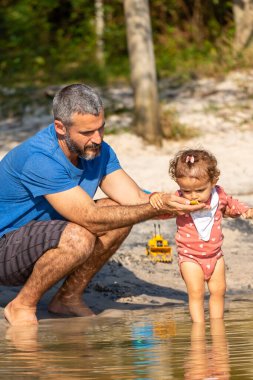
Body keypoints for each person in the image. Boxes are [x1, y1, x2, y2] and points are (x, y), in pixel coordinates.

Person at [0, 84, 205, 326]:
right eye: (87, 132)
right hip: (6, 249)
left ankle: (67, 298)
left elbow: (136, 199)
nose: (96, 139)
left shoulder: (100, 151)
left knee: (116, 209)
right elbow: (90, 218)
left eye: (101, 128)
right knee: (80, 236)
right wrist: (157, 207)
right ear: (60, 127)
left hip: (45, 239)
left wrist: (194, 202)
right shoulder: (39, 158)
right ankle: (22, 305)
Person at [150, 148, 253, 323]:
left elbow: (232, 205)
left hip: (216, 256)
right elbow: (160, 212)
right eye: (186, 191)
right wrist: (154, 198)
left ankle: (217, 327)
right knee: (196, 294)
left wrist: (245, 210)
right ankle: (198, 330)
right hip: (190, 258)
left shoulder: (219, 196)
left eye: (199, 190)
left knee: (219, 291)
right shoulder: (179, 200)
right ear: (178, 185)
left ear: (214, 181)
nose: (193, 196)